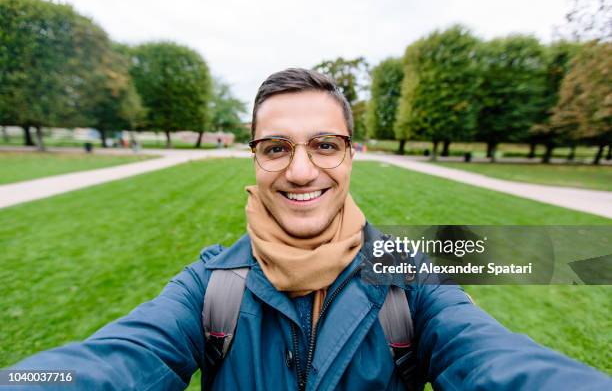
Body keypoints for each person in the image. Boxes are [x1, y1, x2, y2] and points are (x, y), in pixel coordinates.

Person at [6, 68, 611, 390]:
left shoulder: (413, 276)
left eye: (325, 144)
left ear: (353, 154)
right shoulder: (212, 285)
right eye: (276, 147)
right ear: (254, 157)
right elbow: (107, 364)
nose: (301, 170)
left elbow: (495, 359)